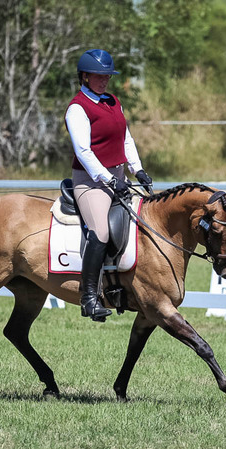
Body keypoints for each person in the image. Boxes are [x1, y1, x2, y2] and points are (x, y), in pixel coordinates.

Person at [64, 48, 154, 321]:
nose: (104, 80)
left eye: (107, 76)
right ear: (84, 76)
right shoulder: (77, 108)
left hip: (118, 178)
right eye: (98, 76)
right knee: (101, 231)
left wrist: (137, 170)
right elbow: (84, 152)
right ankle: (89, 298)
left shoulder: (113, 102)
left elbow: (125, 138)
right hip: (91, 183)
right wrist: (109, 179)